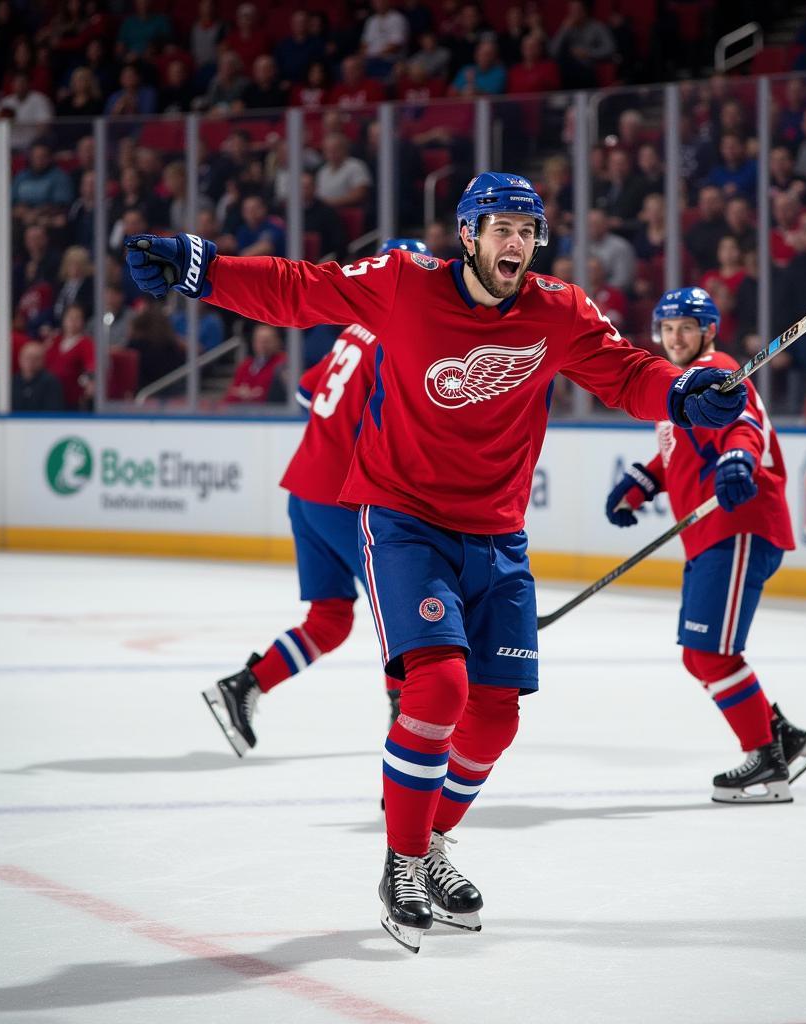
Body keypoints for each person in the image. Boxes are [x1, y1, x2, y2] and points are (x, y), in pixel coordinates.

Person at [125, 172, 748, 953]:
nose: (515, 242)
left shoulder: (559, 310)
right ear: (468, 233)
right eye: (501, 227)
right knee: (441, 683)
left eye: (528, 228)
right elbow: (300, 290)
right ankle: (403, 860)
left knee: (496, 714)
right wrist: (204, 270)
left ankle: (431, 844)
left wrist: (685, 392)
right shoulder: (404, 284)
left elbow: (627, 373)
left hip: (499, 536)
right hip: (404, 520)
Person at [204, 238, 431, 759]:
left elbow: (311, 394)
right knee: (401, 617)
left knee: (332, 618)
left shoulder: (352, 330)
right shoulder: (400, 336)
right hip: (345, 499)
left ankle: (245, 686)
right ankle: (408, 732)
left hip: (306, 491)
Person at [604, 287, 806, 804]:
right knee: (700, 656)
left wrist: (739, 461)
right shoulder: (680, 387)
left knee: (711, 652)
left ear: (708, 331)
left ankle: (767, 765)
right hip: (709, 534)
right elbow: (678, 453)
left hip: (738, 523)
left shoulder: (720, 366)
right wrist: (643, 480)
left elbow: (742, 426)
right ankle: (785, 739)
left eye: (686, 326)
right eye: (667, 328)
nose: (674, 337)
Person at [12, 340, 64, 411]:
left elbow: (53, 411)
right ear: (20, 358)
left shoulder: (51, 383)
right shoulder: (12, 382)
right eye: (28, 357)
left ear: (43, 360)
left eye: (36, 358)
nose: (31, 361)